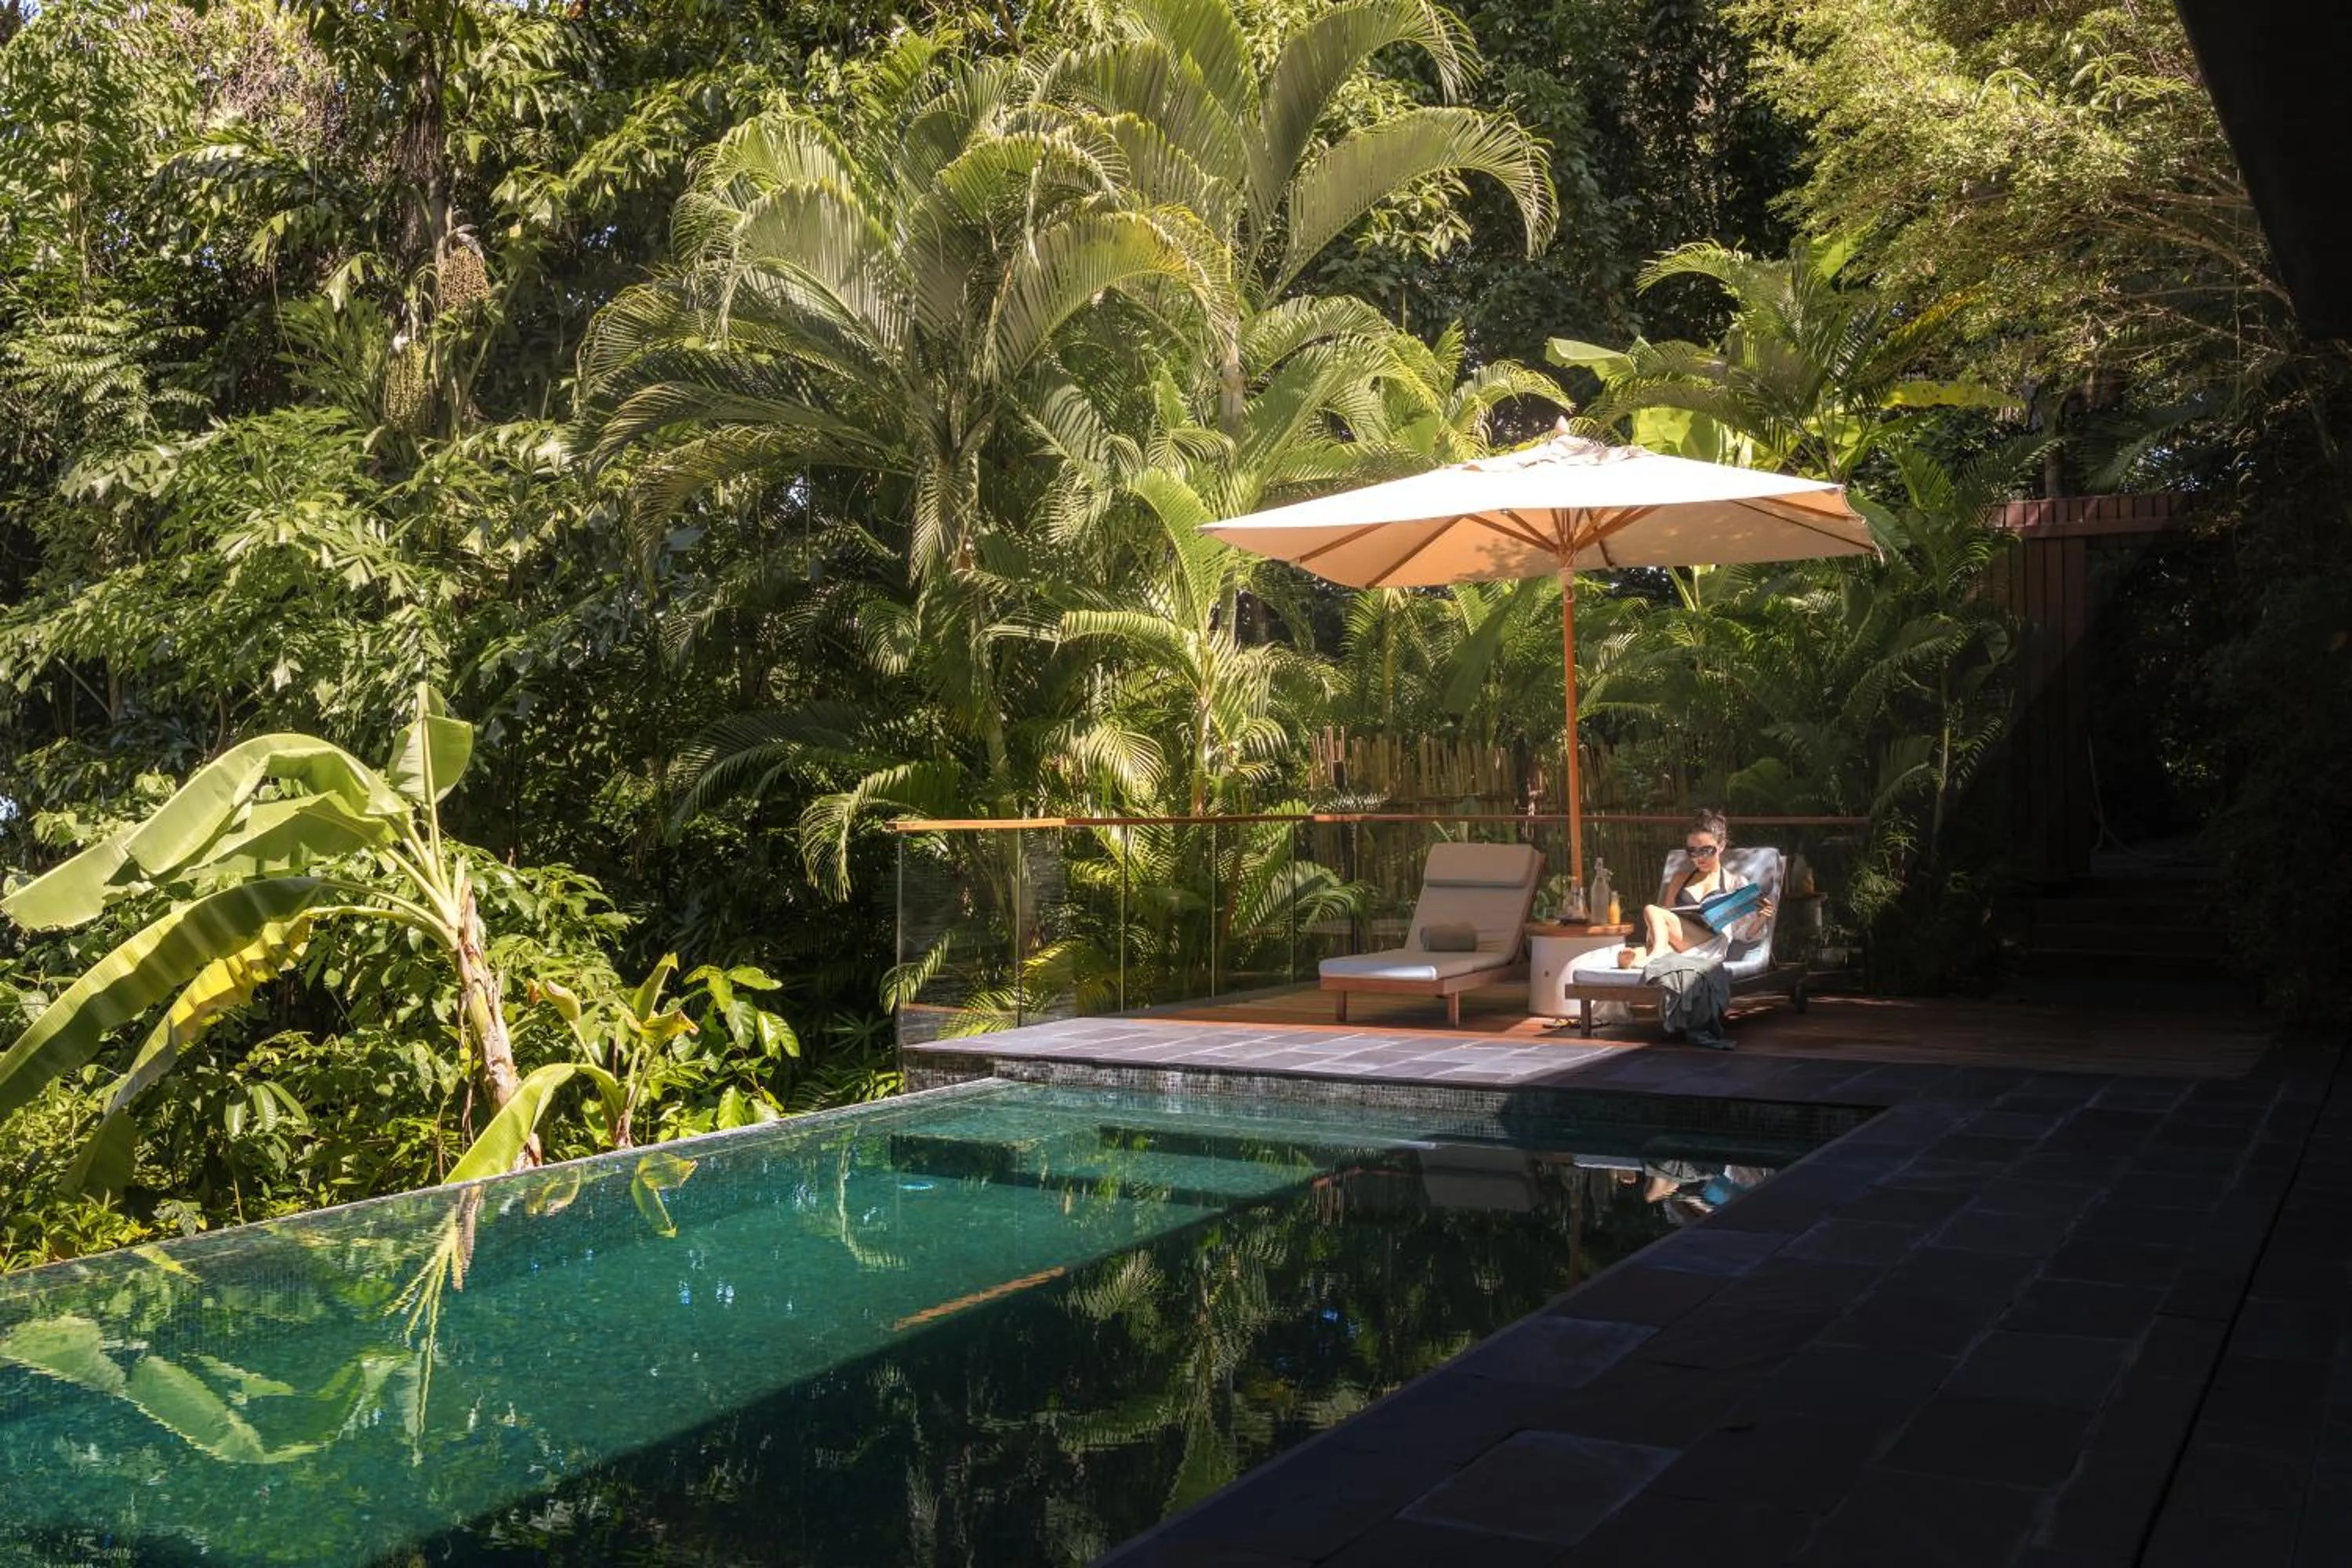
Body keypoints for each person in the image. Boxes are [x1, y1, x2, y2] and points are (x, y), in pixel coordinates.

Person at [1620, 808, 1774, 1049]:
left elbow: (1744, 934)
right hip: (1681, 941)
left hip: (1710, 943)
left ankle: (1653, 956)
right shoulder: (1680, 878)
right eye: (1692, 851)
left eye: (1706, 850)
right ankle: (1649, 955)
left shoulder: (1734, 883)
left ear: (1721, 846)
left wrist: (1761, 919)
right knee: (1650, 922)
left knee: (1652, 910)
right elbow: (1667, 917)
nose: (1699, 857)